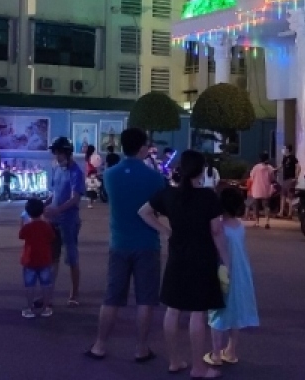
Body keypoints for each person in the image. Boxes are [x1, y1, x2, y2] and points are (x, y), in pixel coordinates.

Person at [138, 150, 229, 378]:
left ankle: (175, 361)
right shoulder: (208, 197)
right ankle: (198, 367)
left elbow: (144, 212)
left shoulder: (169, 195)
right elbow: (216, 231)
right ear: (201, 170)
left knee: (173, 309)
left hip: (177, 256)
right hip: (202, 257)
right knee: (198, 313)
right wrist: (227, 261)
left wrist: (166, 231)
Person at [86, 128, 167, 362]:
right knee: (145, 299)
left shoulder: (111, 175)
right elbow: (159, 207)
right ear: (142, 147)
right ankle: (141, 348)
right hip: (147, 242)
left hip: (119, 242)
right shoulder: (155, 178)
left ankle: (99, 345)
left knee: (112, 297)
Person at [205, 187, 259, 367]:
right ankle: (231, 351)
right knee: (236, 311)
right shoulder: (239, 225)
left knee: (217, 312)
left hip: (223, 272)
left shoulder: (219, 227)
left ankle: (215, 354)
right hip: (242, 272)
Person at [45, 137, 86, 306]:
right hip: (53, 221)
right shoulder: (56, 169)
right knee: (52, 258)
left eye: (59, 153)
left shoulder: (76, 172)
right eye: (55, 153)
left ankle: (74, 294)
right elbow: (53, 193)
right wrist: (44, 204)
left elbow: (75, 199)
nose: (56, 156)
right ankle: (49, 295)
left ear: (67, 153)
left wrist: (58, 209)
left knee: (71, 258)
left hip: (69, 221)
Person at [19, 198, 56, 318]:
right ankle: (46, 308)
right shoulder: (46, 226)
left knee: (29, 285)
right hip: (45, 259)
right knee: (46, 284)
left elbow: (21, 235)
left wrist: (23, 223)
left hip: (29, 259)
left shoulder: (27, 227)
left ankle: (30, 308)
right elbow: (51, 238)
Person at [247, 153, 276, 228]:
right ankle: (267, 222)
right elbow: (272, 179)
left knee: (256, 206)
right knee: (266, 206)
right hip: (266, 189)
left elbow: (251, 177)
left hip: (256, 189)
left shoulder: (256, 167)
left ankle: (257, 222)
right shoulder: (270, 168)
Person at [278, 145, 299, 218]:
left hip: (290, 179)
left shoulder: (293, 158)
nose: (283, 150)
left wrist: (296, 177)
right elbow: (281, 166)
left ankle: (290, 213)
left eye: (284, 148)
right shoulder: (284, 158)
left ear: (287, 149)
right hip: (285, 179)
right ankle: (281, 212)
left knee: (290, 197)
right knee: (283, 196)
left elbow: (298, 167)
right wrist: (275, 170)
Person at [85, 145, 102, 209]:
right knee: (92, 188)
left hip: (89, 173)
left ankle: (90, 202)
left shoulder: (87, 156)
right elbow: (95, 164)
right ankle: (90, 203)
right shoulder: (92, 157)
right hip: (92, 173)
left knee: (91, 188)